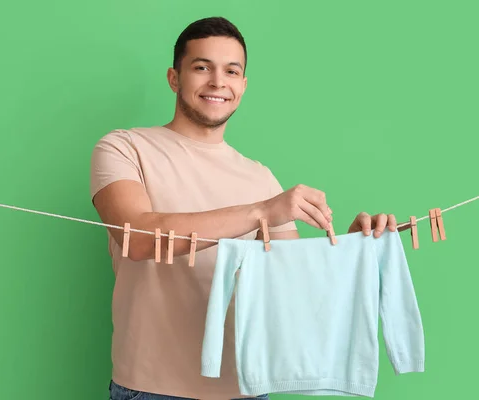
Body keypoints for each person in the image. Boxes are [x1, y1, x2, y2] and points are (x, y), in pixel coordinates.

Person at [90, 16, 399, 400]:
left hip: (248, 389)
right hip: (151, 390)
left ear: (243, 85)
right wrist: (262, 213)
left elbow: (292, 285)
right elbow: (136, 237)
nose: (218, 82)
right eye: (202, 67)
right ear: (174, 77)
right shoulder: (124, 148)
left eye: (231, 71)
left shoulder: (259, 177)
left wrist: (355, 247)